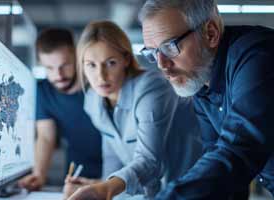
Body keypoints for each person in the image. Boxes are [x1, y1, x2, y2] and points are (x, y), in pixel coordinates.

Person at [138, 0, 274, 199]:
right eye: (153, 53)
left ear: (210, 34)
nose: (162, 65)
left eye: (169, 47)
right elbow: (221, 168)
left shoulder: (257, 56)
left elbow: (238, 151)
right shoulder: (202, 85)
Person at [66, 20, 202, 200]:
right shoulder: (92, 101)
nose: (101, 76)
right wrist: (97, 186)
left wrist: (106, 188)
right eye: (91, 65)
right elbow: (113, 160)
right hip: (153, 192)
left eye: (111, 63)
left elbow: (149, 161)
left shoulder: (152, 88)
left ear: (126, 59)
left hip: (191, 188)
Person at [18, 28, 103, 191]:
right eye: (49, 68)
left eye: (65, 65)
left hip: (116, 167)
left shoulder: (99, 83)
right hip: (78, 171)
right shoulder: (43, 91)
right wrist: (39, 174)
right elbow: (45, 136)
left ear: (77, 56)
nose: (58, 75)